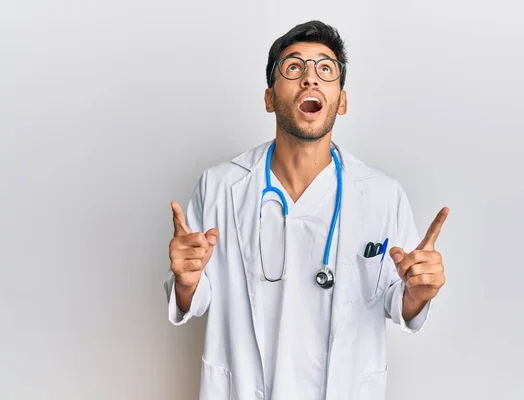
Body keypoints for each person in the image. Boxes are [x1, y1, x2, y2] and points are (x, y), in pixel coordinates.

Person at [165, 20, 449, 400]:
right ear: (269, 98)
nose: (310, 79)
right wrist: (185, 282)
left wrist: (419, 290)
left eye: (325, 69)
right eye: (294, 67)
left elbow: (399, 302)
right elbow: (195, 300)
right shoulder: (219, 186)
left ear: (342, 101)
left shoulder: (382, 194)